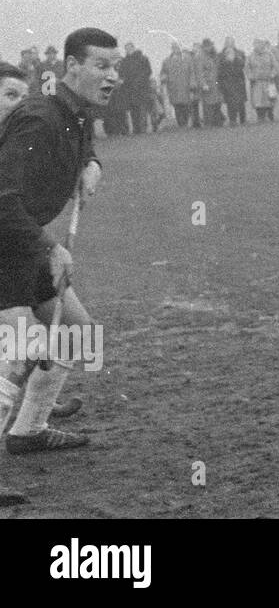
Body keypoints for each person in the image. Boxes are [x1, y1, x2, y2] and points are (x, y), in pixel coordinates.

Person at [0, 28, 118, 467]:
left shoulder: (77, 113)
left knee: (78, 333)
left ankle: (28, 430)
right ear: (72, 66)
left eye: (115, 66)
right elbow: (3, 197)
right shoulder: (40, 118)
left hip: (24, 243)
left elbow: (83, 145)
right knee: (17, 356)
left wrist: (92, 165)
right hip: (8, 242)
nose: (113, 76)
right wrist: (51, 247)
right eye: (101, 66)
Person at [158, 41, 196, 129]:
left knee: (186, 105)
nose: (175, 49)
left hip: (185, 86)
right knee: (177, 106)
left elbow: (192, 73)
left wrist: (192, 84)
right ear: (172, 49)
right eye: (174, 47)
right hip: (173, 87)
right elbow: (163, 72)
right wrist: (163, 77)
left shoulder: (187, 59)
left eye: (177, 47)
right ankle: (181, 124)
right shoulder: (166, 61)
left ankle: (185, 123)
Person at [117, 42, 153, 135]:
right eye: (126, 49)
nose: (128, 50)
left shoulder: (143, 58)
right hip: (129, 89)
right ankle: (136, 129)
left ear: (133, 48)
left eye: (129, 48)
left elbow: (148, 71)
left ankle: (142, 129)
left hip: (141, 88)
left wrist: (139, 81)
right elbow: (121, 74)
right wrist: (122, 80)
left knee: (142, 109)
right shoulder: (124, 61)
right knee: (133, 110)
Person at [245, 38, 279, 122]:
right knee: (258, 100)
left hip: (268, 81)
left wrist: (272, 74)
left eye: (260, 44)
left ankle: (270, 114)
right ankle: (260, 116)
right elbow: (247, 68)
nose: (258, 46)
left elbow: (275, 66)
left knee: (269, 98)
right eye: (256, 44)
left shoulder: (269, 54)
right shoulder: (250, 56)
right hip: (257, 82)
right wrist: (251, 76)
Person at [217, 37, 248, 126]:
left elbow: (243, 66)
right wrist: (226, 60)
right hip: (227, 82)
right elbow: (219, 69)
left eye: (231, 42)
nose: (229, 44)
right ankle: (232, 120)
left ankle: (243, 119)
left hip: (239, 82)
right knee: (230, 103)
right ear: (225, 43)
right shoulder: (220, 55)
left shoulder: (240, 53)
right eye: (228, 43)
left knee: (241, 102)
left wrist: (235, 58)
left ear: (234, 43)